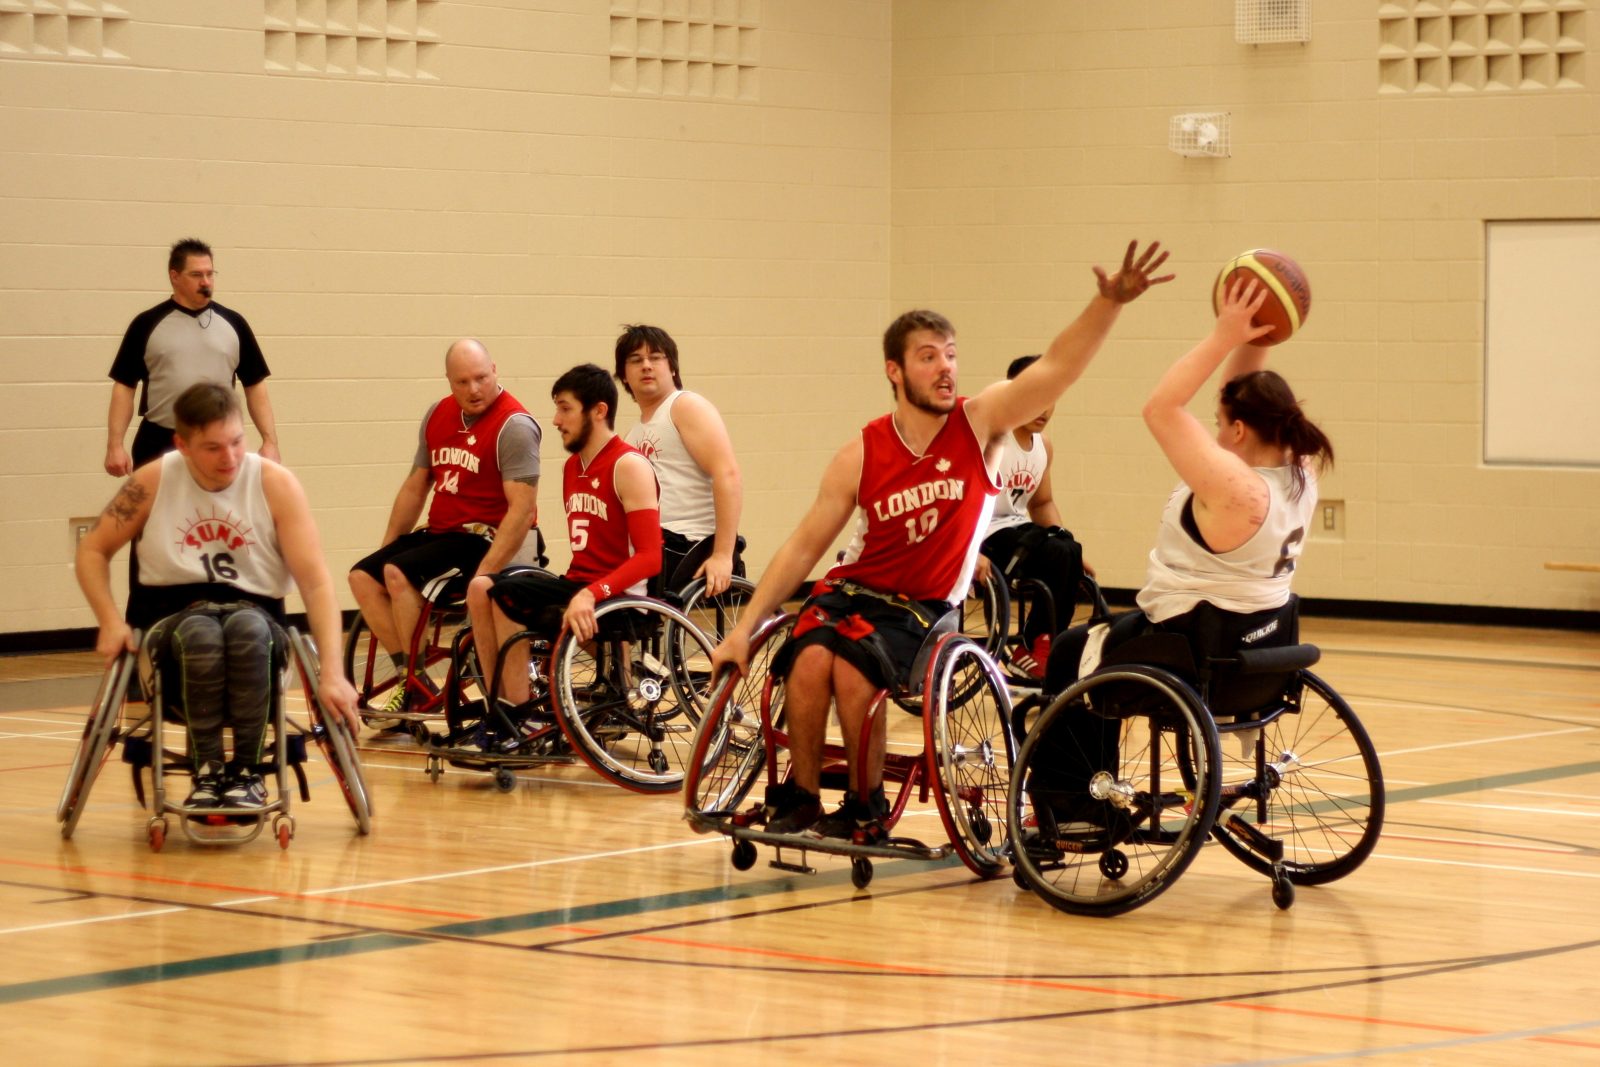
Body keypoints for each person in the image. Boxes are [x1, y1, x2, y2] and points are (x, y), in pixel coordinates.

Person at [711, 240, 1172, 840]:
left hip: (923, 609)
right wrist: (743, 630)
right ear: (895, 371)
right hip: (855, 586)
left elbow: (1055, 367)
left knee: (853, 669)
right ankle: (799, 796)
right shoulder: (861, 452)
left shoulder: (980, 424)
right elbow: (803, 547)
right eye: (928, 357)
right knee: (807, 660)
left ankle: (864, 803)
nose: (946, 367)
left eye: (951, 355)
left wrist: (1107, 305)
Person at [1042, 274, 1336, 695]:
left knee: (1071, 648)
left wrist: (1223, 336)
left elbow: (1161, 407)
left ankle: (1078, 764)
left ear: (1238, 431)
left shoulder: (1238, 490)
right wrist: (1258, 332)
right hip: (1262, 638)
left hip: (1191, 642)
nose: (1213, 436)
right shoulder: (1302, 469)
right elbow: (1240, 395)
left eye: (1219, 425)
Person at [75, 383, 359, 810]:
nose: (229, 458)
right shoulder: (152, 480)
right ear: (182, 444)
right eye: (212, 448)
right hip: (173, 622)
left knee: (244, 626)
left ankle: (247, 771)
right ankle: (206, 770)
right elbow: (92, 550)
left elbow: (317, 583)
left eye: (236, 441)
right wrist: (110, 620)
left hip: (256, 617)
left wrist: (334, 673)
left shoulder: (275, 483)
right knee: (199, 632)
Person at [348, 339, 541, 716]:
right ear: (449, 382)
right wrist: (388, 545)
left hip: (483, 538)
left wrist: (485, 574)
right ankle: (413, 677)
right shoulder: (438, 413)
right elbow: (416, 485)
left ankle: (415, 683)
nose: (473, 390)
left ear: (495, 370)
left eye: (481, 378)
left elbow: (522, 510)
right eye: (462, 382)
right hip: (440, 534)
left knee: (397, 573)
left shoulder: (513, 425)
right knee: (362, 576)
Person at [465, 363, 661, 723]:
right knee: (481, 588)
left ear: (598, 410)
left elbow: (651, 557)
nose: (555, 419)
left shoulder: (628, 465)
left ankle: (517, 714)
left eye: (565, 408)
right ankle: (502, 705)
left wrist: (592, 593)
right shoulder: (572, 468)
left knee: (508, 598)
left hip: (618, 598)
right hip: (578, 584)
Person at [105, 238, 278, 477]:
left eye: (210, 274)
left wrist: (270, 441)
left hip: (216, 442)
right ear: (174, 276)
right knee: (155, 513)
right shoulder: (146, 324)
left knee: (212, 515)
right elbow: (124, 387)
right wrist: (115, 445)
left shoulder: (234, 324)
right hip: (159, 441)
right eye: (196, 275)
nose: (205, 282)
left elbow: (255, 385)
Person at [974, 353, 1088, 678]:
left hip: (1021, 534)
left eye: (1051, 398)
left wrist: (1069, 549)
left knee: (1067, 547)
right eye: (1036, 397)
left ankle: (1049, 643)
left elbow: (1041, 504)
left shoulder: (1044, 446)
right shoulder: (991, 437)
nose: (1045, 408)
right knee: (1057, 550)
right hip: (986, 536)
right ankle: (1030, 644)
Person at [613, 324, 744, 598]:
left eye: (656, 358)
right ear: (623, 376)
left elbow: (727, 474)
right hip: (652, 542)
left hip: (688, 545)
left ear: (672, 367)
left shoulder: (685, 406)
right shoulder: (631, 435)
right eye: (636, 360)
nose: (646, 366)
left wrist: (722, 555)